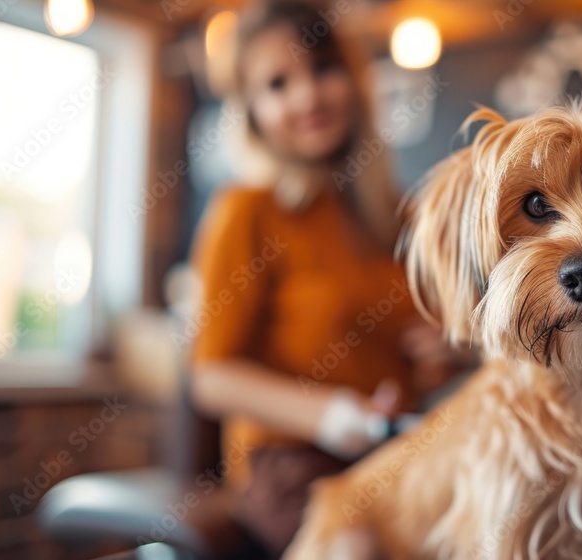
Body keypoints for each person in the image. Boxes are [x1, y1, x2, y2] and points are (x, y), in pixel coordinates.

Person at [187, 1, 460, 555]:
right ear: (252, 110)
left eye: (322, 69)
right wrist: (333, 415)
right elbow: (210, 377)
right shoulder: (247, 212)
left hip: (396, 454)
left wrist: (446, 351)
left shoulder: (399, 217)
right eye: (277, 83)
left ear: (354, 79)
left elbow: (418, 360)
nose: (307, 96)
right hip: (290, 464)